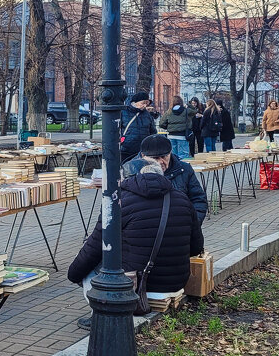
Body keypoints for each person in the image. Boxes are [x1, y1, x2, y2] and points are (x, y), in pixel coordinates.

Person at [68, 163, 204, 301]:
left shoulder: (120, 202)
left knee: (91, 269)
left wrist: (73, 275)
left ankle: (99, 315)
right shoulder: (183, 200)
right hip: (176, 283)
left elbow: (94, 247)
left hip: (136, 285)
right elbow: (196, 248)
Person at [122, 135, 208, 224]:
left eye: (164, 156)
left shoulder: (184, 169)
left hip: (178, 229)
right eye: (155, 158)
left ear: (170, 153)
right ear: (143, 156)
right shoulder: (129, 171)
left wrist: (192, 224)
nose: (160, 162)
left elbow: (198, 199)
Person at [120, 92, 158, 162]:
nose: (145, 106)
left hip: (143, 149)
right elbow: (117, 129)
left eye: (146, 104)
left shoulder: (148, 115)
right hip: (126, 148)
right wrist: (122, 140)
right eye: (143, 103)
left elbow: (153, 131)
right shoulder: (124, 112)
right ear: (135, 102)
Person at [158, 95, 195, 160]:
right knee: (184, 155)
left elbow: (161, 124)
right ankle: (183, 169)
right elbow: (194, 110)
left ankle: (175, 169)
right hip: (182, 136)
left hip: (171, 136)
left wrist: (169, 127)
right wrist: (189, 104)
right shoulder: (186, 111)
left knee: (173, 156)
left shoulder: (168, 112)